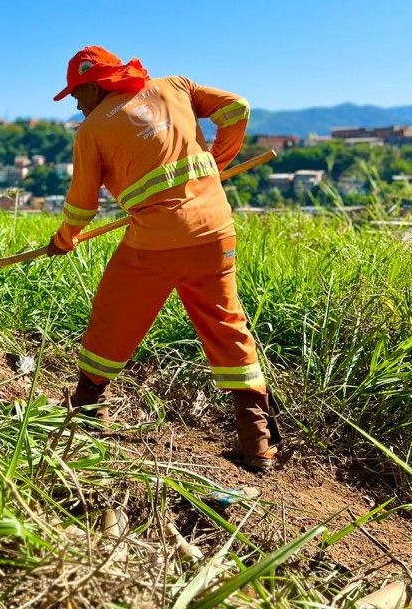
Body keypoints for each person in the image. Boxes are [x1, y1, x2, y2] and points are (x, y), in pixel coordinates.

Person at [46, 45, 279, 472]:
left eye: (78, 94)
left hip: (155, 242)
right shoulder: (177, 86)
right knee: (227, 323)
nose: (77, 104)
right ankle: (258, 443)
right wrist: (218, 160)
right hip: (214, 230)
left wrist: (65, 239)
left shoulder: (93, 131)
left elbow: (81, 205)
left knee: (115, 314)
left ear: (97, 87)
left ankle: (84, 409)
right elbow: (237, 108)